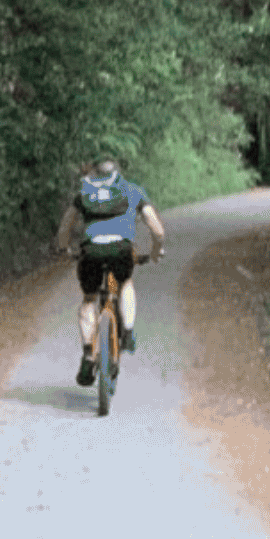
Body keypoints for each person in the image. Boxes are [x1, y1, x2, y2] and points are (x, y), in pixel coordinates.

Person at [54, 159, 165, 387]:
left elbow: (65, 227)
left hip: (91, 252)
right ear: (118, 174)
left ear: (95, 174)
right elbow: (156, 227)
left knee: (88, 300)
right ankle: (128, 331)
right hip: (121, 250)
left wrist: (65, 248)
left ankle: (87, 354)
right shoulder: (132, 190)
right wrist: (156, 250)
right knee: (124, 283)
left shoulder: (85, 192)